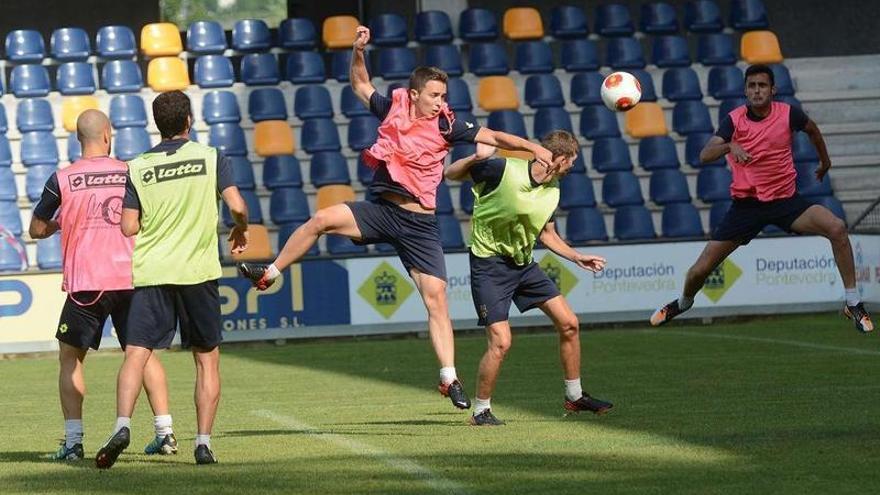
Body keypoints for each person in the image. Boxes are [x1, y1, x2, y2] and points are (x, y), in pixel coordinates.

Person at [239, 25, 554, 410]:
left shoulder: (448, 125)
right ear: (416, 93)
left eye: (444, 96)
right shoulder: (392, 108)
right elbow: (359, 83)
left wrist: (532, 146)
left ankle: (449, 377)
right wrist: (358, 51)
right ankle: (271, 272)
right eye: (434, 95)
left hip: (419, 226)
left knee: (436, 299)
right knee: (320, 219)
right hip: (382, 212)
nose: (441, 102)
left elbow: (497, 135)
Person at [650, 64, 872, 332]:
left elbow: (813, 131)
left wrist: (825, 162)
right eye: (752, 86)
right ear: (745, 90)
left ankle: (853, 302)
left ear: (773, 89)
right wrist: (729, 145)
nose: (757, 91)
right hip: (747, 207)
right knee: (699, 271)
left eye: (762, 85)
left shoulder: (789, 114)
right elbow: (705, 155)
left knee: (836, 227)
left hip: (786, 201)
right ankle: (684, 303)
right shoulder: (734, 120)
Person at [95, 91, 250, 468]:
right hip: (197, 271)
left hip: (153, 271)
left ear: (157, 124)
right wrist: (240, 228)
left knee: (137, 353)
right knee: (206, 360)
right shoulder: (212, 158)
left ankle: (122, 425)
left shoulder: (139, 166)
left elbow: (128, 226)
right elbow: (237, 206)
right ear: (189, 121)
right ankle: (203, 444)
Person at [29, 110, 178, 461]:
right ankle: (165, 433)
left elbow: (36, 229)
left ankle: (74, 441)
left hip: (88, 282)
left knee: (70, 357)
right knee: (143, 354)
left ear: (79, 138)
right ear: (108, 136)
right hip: (133, 277)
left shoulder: (62, 179)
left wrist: (56, 226)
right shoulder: (131, 171)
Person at [444, 130, 613, 425]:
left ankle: (574, 397)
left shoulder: (554, 189)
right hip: (489, 265)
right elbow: (450, 173)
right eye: (571, 160)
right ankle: (481, 411)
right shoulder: (502, 168)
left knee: (570, 323)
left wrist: (577, 257)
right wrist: (476, 157)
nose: (574, 166)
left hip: (523, 264)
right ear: (557, 157)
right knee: (501, 342)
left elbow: (547, 235)